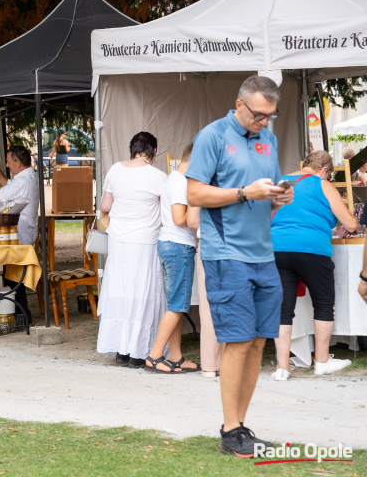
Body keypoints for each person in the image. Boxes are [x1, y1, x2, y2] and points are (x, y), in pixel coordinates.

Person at [186, 75, 293, 458]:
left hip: (265, 253)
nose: (264, 122)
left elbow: (270, 186)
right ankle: (230, 430)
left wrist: (281, 194)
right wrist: (246, 192)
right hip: (226, 253)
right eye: (260, 114)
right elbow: (194, 193)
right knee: (239, 340)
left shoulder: (270, 139)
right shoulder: (212, 136)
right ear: (240, 104)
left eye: (271, 116)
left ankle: (241, 428)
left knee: (260, 340)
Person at [270, 150, 359, 379]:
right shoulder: (322, 184)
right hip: (311, 249)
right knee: (323, 303)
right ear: (324, 170)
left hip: (278, 248)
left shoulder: (283, 181)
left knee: (283, 310)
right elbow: (350, 223)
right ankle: (321, 362)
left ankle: (282, 367)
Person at [97, 132, 168, 368]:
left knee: (121, 291)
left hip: (118, 240)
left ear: (133, 148)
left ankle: (121, 350)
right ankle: (139, 353)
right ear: (153, 151)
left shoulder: (115, 170)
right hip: (145, 240)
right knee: (144, 294)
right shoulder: (158, 176)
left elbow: (105, 205)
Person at [144, 143, 200, 373]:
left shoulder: (176, 179)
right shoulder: (180, 181)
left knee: (176, 305)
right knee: (177, 306)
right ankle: (155, 356)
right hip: (178, 246)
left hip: (173, 246)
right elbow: (180, 218)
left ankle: (175, 357)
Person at [0, 144, 39, 319]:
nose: (7, 165)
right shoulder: (29, 176)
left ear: (18, 162)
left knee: (13, 278)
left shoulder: (23, 181)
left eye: (9, 162)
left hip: (19, 234)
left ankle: (22, 314)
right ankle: (21, 313)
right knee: (14, 276)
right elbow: (9, 186)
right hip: (25, 232)